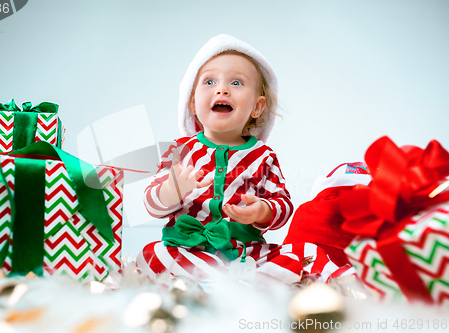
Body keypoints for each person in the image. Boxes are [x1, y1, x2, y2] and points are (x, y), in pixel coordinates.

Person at [137, 34, 352, 284]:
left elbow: (283, 205)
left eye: (237, 82)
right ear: (193, 103)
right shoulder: (180, 150)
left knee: (308, 253)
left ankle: (351, 284)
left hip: (249, 255)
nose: (222, 89)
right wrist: (172, 190)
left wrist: (262, 211)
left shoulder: (263, 156)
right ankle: (229, 283)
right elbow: (151, 204)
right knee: (153, 253)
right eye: (209, 81)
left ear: (257, 107)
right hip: (189, 249)